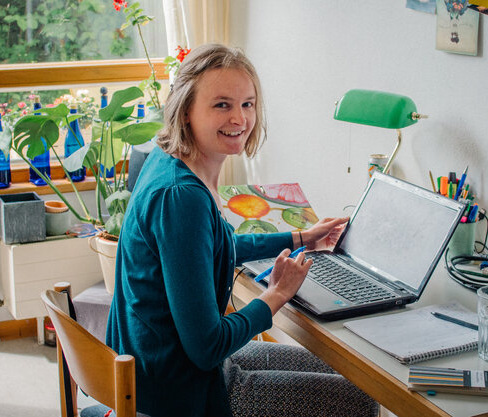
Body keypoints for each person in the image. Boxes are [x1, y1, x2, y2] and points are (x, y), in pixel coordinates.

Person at [104, 44, 378, 417]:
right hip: (183, 392)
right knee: (359, 401)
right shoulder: (181, 198)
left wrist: (301, 237)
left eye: (247, 104)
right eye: (222, 105)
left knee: (345, 377)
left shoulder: (168, 159)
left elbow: (214, 246)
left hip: (159, 367)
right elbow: (208, 346)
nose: (239, 119)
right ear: (186, 111)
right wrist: (277, 294)